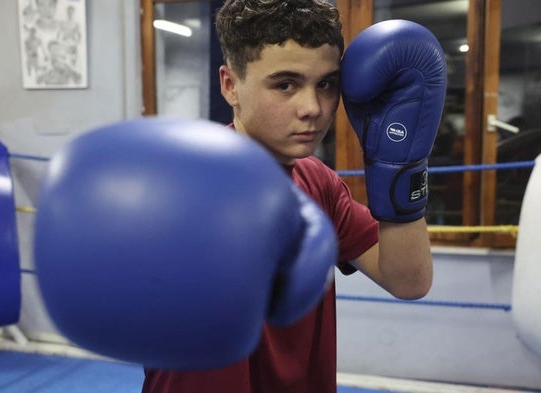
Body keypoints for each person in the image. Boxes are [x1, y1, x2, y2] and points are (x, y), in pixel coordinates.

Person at [141, 0, 435, 392]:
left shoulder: (319, 182)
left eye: (326, 84)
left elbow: (409, 281)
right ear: (230, 85)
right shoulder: (189, 185)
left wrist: (402, 165)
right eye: (285, 85)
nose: (312, 108)